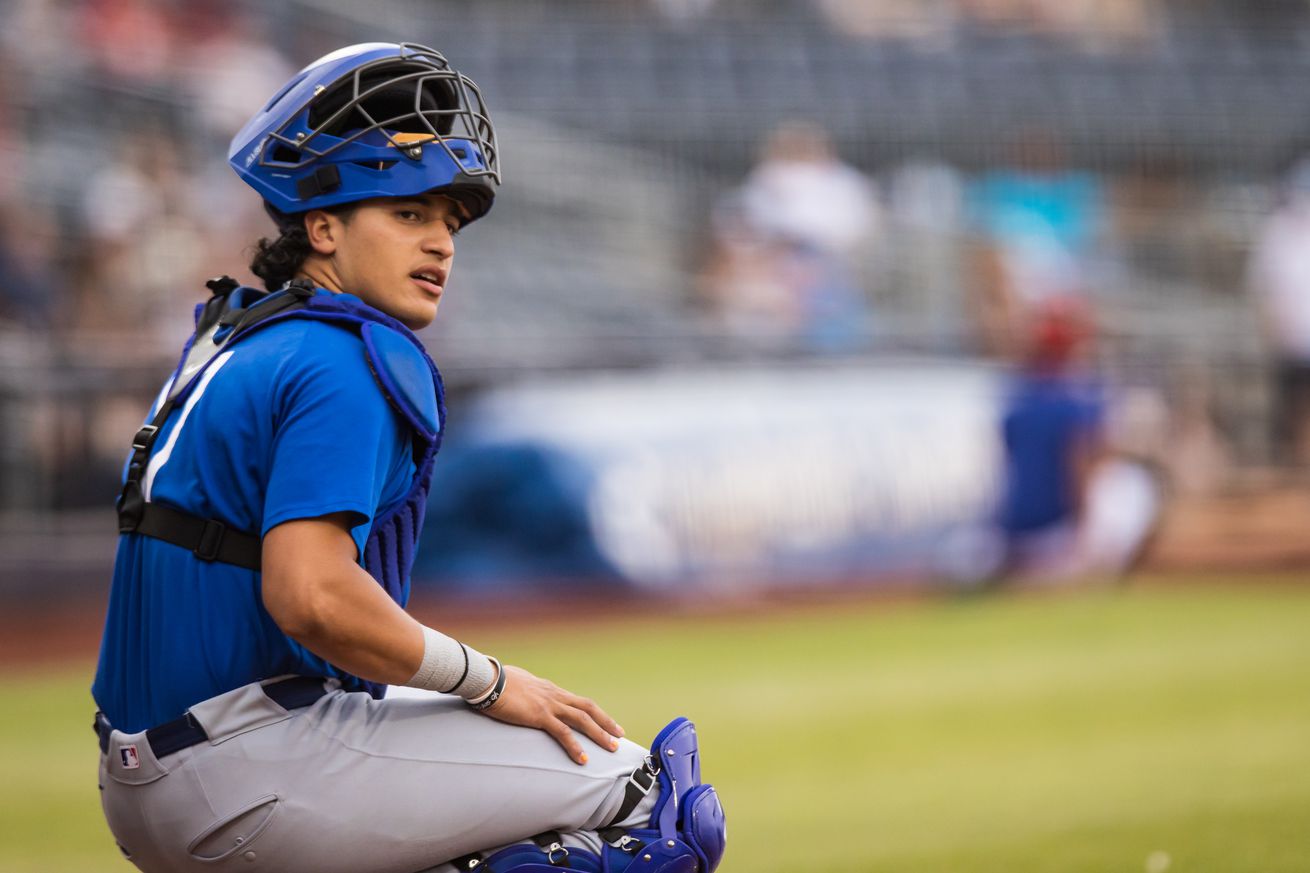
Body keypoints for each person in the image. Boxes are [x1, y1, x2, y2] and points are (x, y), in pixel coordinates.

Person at [91, 42, 725, 873]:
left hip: (147, 772)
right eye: (408, 213)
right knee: (657, 807)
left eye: (448, 221)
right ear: (322, 227)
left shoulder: (235, 340)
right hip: (250, 771)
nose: (441, 243)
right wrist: (493, 681)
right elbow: (311, 596)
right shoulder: (343, 358)